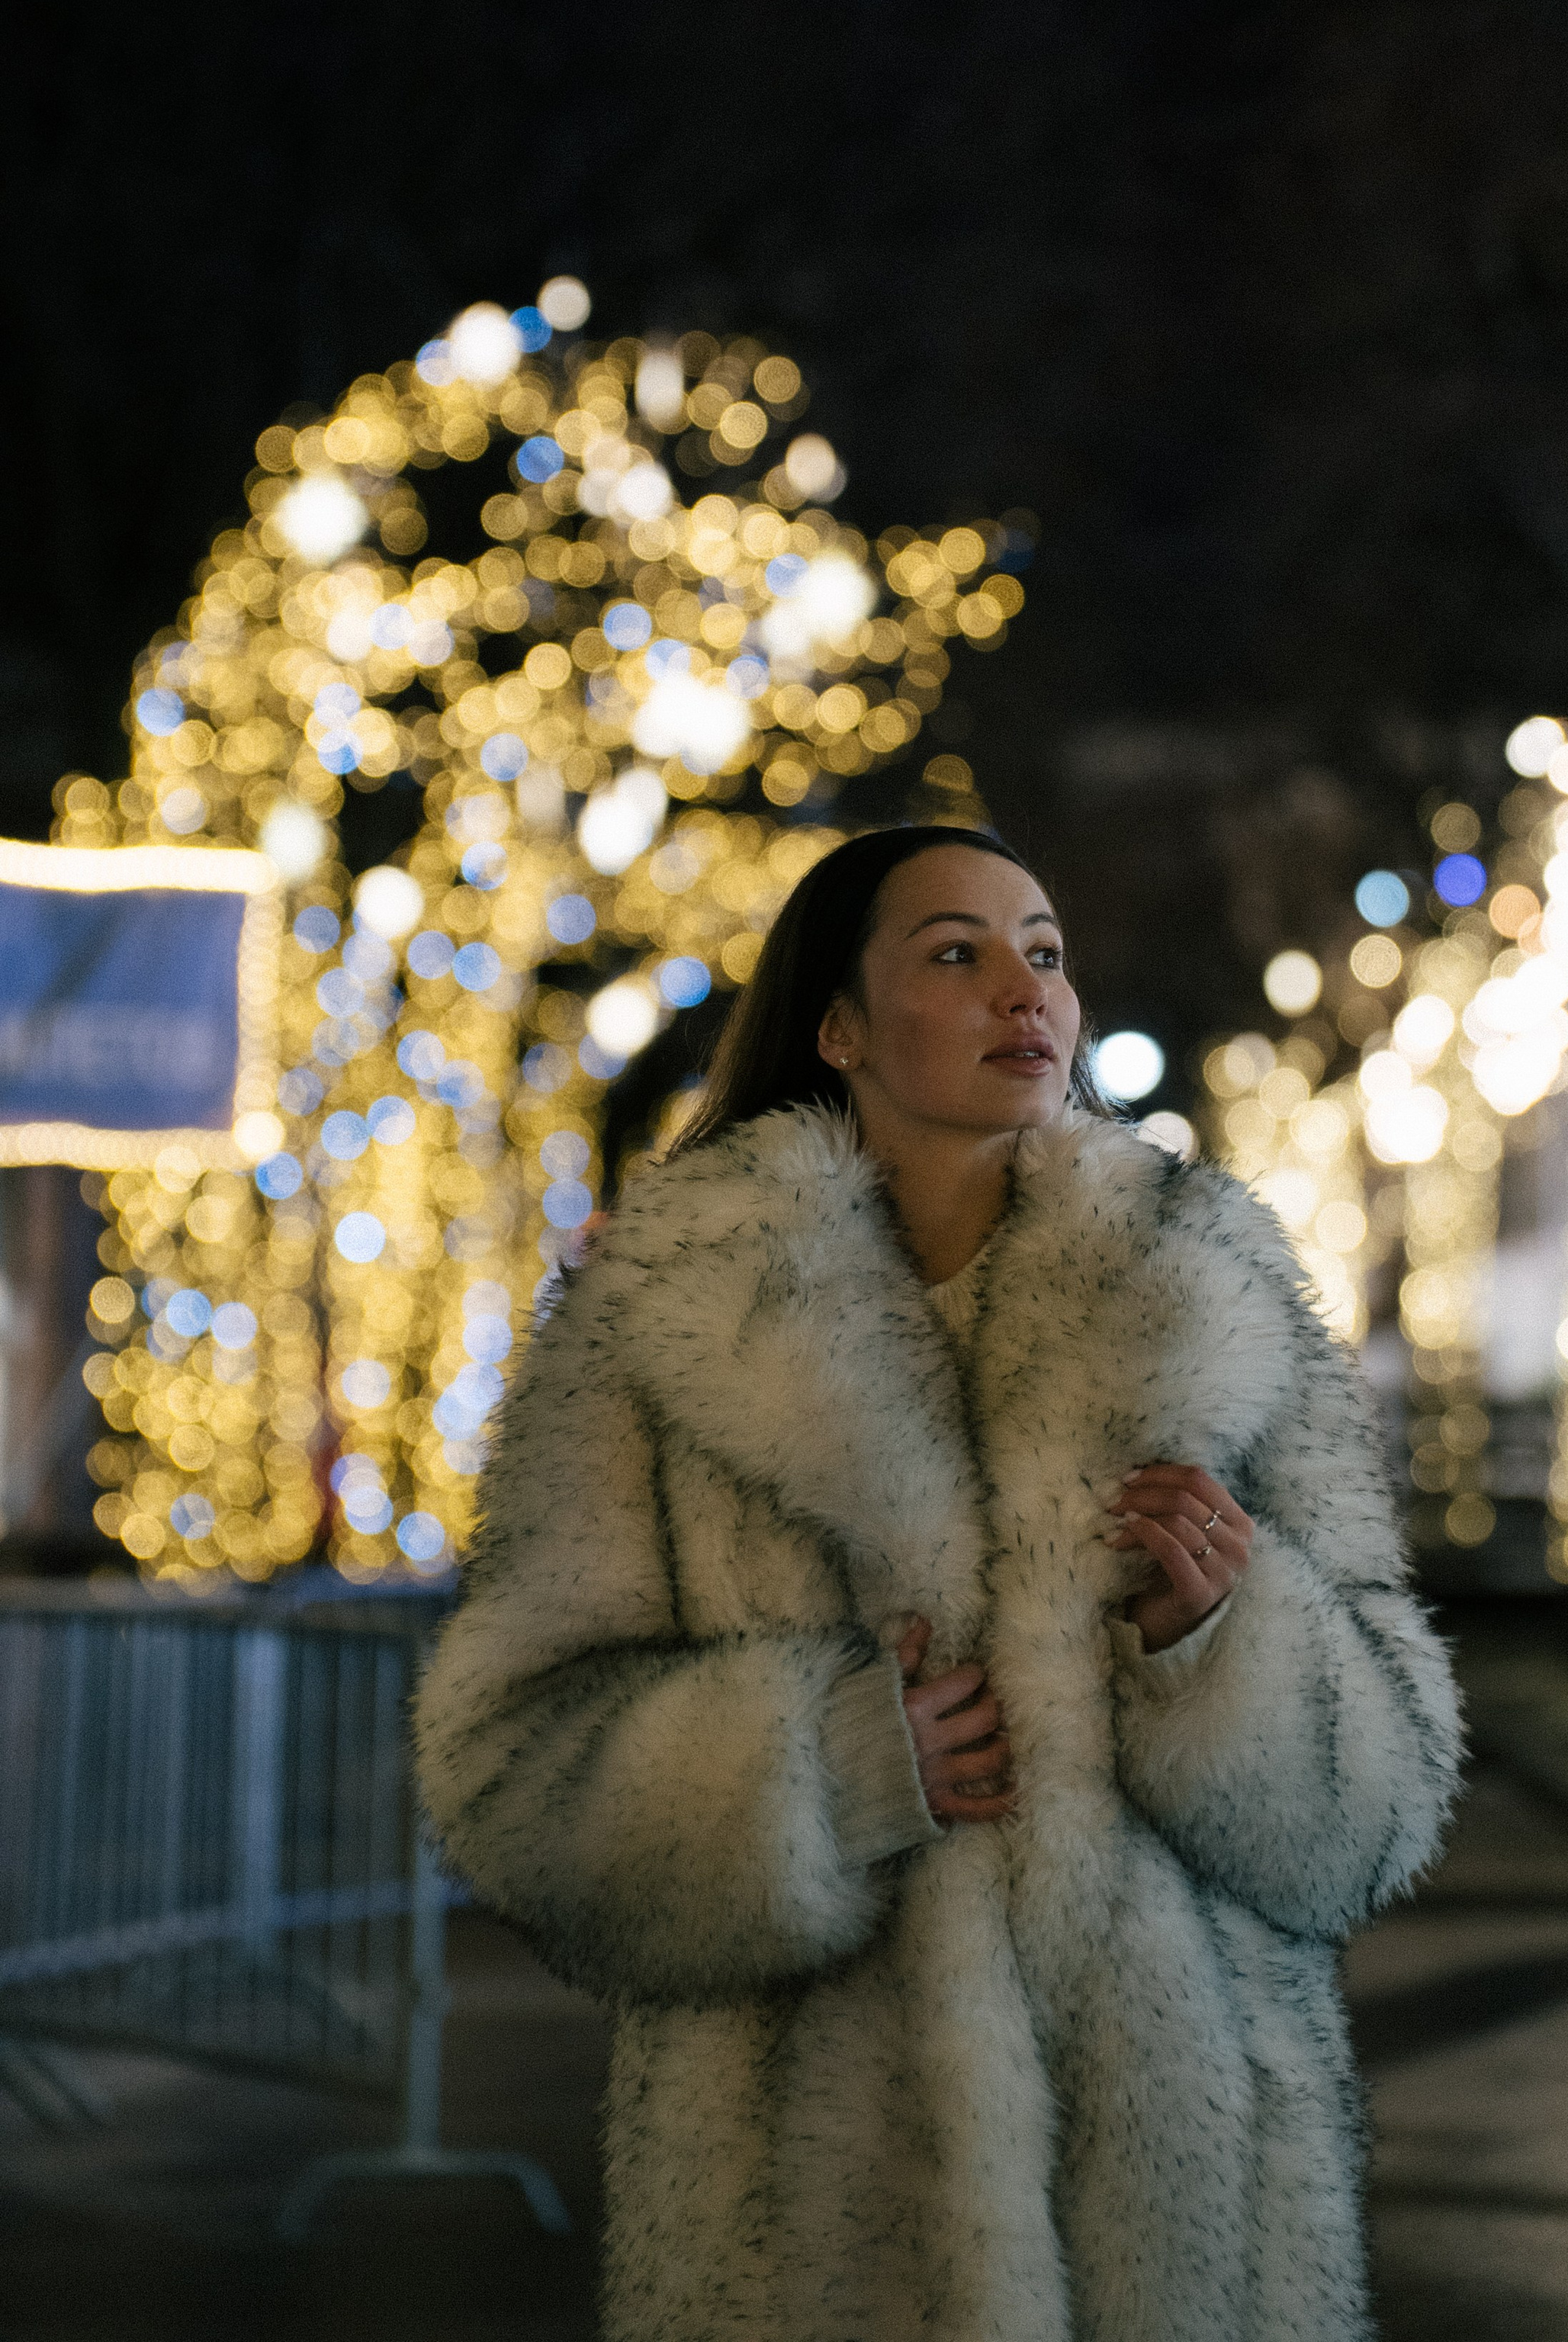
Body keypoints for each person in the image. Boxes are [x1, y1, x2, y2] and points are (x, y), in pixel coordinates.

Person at [417, 824, 1460, 2341]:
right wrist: (814, 1772)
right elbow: (509, 1766)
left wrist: (1221, 1641)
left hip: (1182, 2227)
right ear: (836, 1026)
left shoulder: (1216, 1302)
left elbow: (1379, 1808)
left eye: (1042, 954)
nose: (1021, 993)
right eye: (954, 955)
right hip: (805, 2230)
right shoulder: (656, 1326)